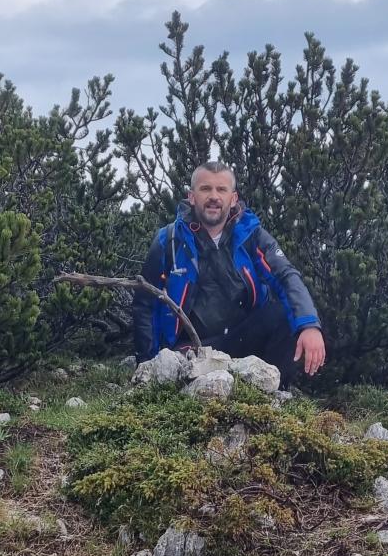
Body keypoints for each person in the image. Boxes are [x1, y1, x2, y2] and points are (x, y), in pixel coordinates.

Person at [132, 161, 326, 387]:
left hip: (243, 340)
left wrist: (309, 325)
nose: (214, 196)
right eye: (205, 189)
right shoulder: (169, 240)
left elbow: (285, 276)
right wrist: (148, 364)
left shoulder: (251, 236)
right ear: (192, 196)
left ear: (233, 199)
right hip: (191, 350)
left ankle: (272, 392)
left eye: (221, 189)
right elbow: (145, 305)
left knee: (286, 314)